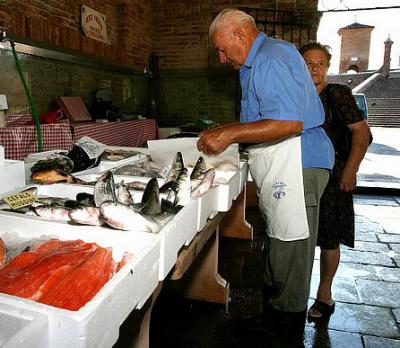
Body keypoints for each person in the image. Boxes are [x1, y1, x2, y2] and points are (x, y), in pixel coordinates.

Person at [197, 9, 334, 343]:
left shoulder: (272, 59)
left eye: (221, 48)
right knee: (279, 241)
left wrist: (229, 133)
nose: (220, 56)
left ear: (240, 35)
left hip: (297, 161)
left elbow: (289, 123)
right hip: (281, 161)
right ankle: (272, 316)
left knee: (292, 247)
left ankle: (284, 332)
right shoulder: (254, 64)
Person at [299, 42, 371, 323]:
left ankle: (324, 294)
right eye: (308, 63)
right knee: (301, 235)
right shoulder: (296, 95)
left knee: (329, 237)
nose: (314, 68)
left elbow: (362, 135)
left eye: (320, 64)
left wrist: (350, 171)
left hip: (333, 175)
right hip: (301, 174)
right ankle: (294, 290)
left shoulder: (337, 94)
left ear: (327, 68)